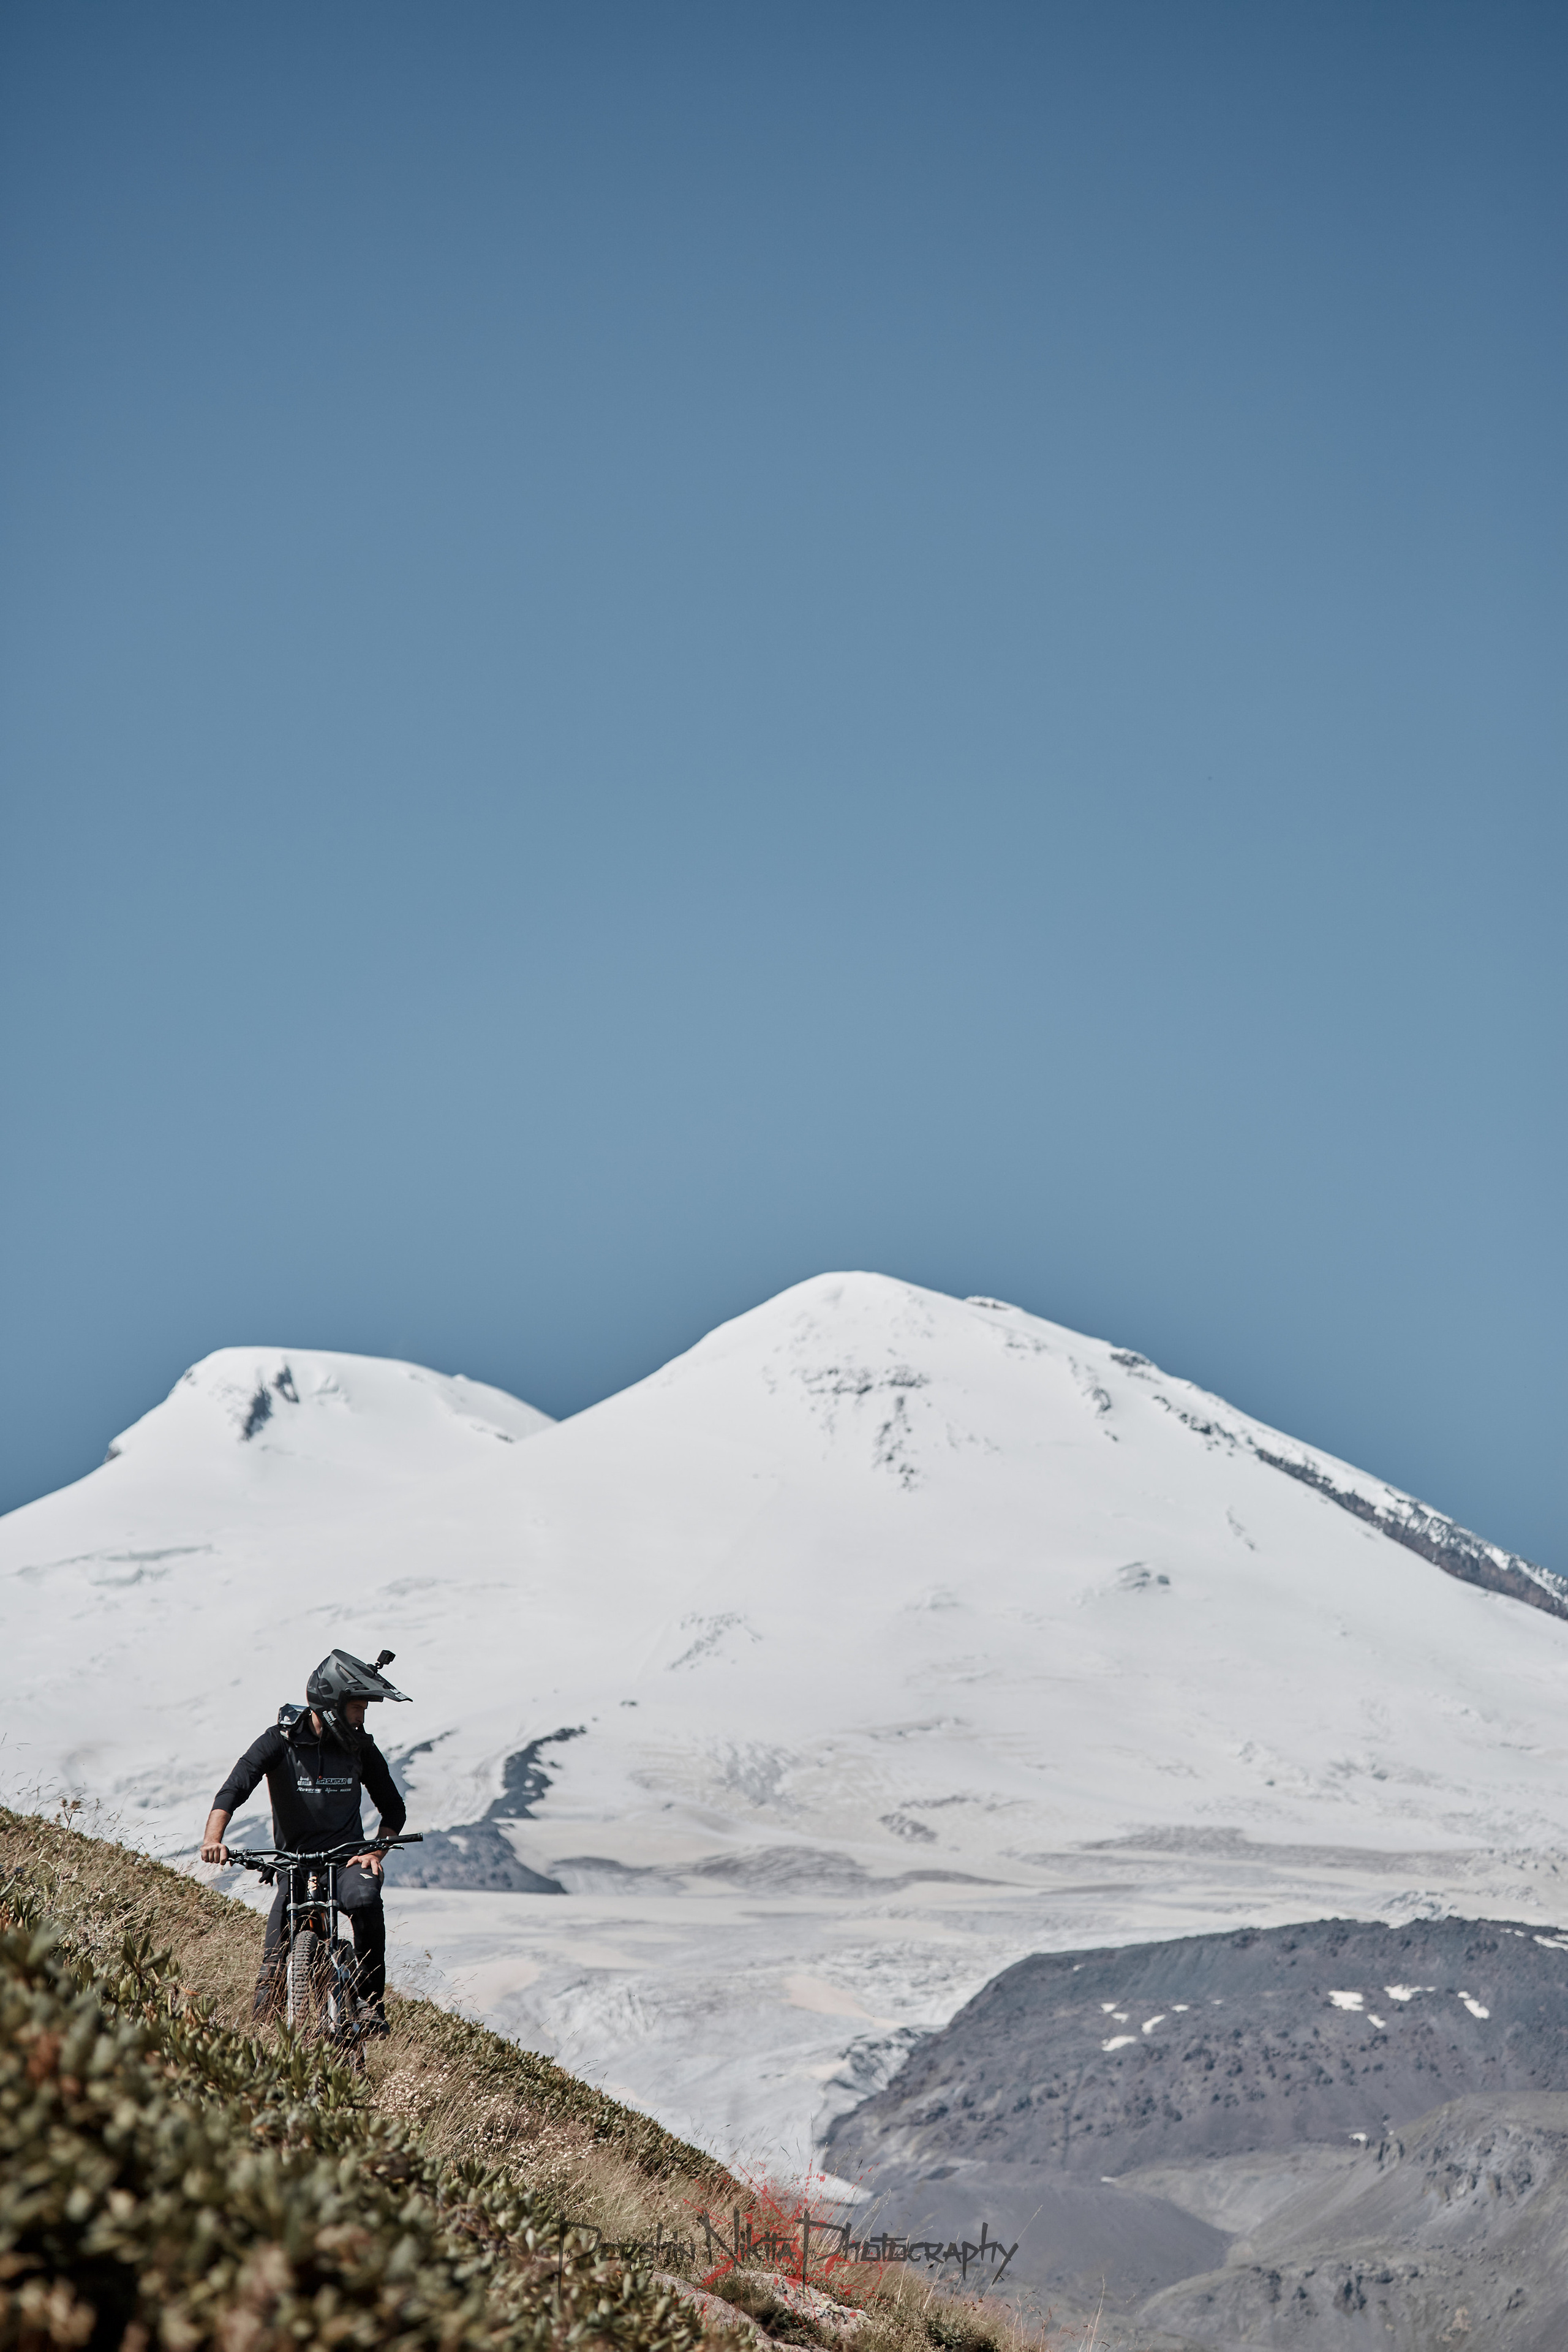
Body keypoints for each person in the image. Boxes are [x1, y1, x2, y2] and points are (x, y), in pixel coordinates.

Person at [200, 1648, 410, 2031]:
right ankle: (268, 2051)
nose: (361, 1719)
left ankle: (368, 2003)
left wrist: (376, 1851)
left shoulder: (359, 1748)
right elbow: (234, 1789)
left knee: (365, 1902)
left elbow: (394, 1809)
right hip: (294, 1864)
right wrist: (213, 1840)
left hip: (347, 1861)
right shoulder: (279, 1740)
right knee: (273, 1968)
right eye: (358, 1708)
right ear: (333, 1703)